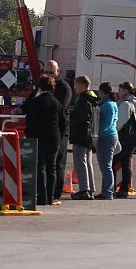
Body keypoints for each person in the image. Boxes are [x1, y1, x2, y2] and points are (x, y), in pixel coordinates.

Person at [24, 74, 66, 206]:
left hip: (40, 137)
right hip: (54, 137)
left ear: (40, 88)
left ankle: (42, 197)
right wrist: (60, 135)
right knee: (51, 167)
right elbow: (63, 122)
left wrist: (29, 135)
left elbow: (30, 121)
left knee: (40, 167)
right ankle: (51, 197)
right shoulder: (57, 102)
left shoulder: (36, 102)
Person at [46, 60, 72, 203]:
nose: (48, 75)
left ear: (58, 71)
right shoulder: (43, 85)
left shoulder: (64, 87)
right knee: (47, 163)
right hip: (47, 129)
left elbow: (61, 107)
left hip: (60, 130)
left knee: (58, 162)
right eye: (46, 72)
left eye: (51, 72)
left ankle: (56, 194)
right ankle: (46, 192)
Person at [69, 75, 99, 200]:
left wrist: (72, 118)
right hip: (90, 135)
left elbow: (82, 117)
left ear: (82, 85)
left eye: (76, 85)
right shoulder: (93, 98)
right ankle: (90, 188)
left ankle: (84, 189)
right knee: (88, 162)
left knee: (80, 161)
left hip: (81, 134)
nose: (75, 88)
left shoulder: (83, 99)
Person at [113, 82, 136, 198]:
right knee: (126, 162)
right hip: (134, 135)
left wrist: (113, 131)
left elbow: (120, 122)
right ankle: (124, 188)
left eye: (120, 90)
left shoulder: (125, 104)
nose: (118, 93)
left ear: (125, 91)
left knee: (113, 161)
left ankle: (110, 187)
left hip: (125, 136)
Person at [95, 82, 119, 200]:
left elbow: (107, 123)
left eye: (99, 91)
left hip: (107, 137)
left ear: (102, 92)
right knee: (105, 166)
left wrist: (97, 132)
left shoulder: (108, 105)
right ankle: (106, 190)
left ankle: (108, 192)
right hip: (108, 136)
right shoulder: (109, 103)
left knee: (106, 166)